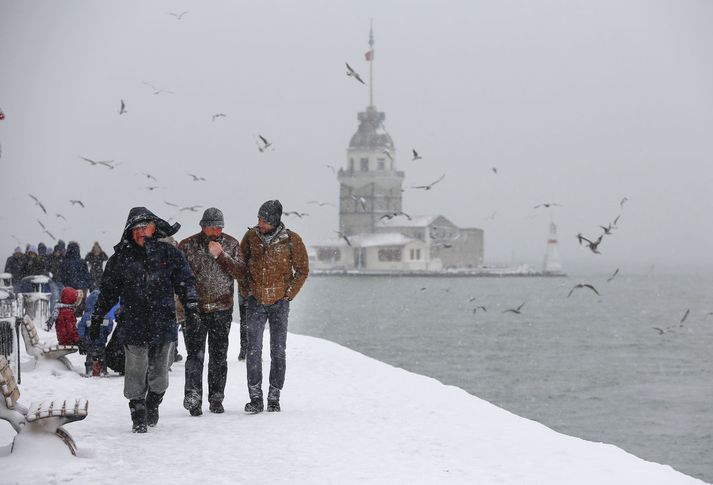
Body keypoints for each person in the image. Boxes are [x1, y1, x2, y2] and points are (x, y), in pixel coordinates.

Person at [89, 207, 199, 433]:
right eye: (136, 229)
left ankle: (154, 402)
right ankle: (137, 410)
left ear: (154, 228)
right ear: (129, 232)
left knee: (160, 375)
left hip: (163, 322)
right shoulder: (120, 259)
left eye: (144, 227)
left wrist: (192, 309)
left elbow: (185, 282)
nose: (140, 232)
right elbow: (108, 292)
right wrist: (97, 315)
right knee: (136, 371)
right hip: (133, 323)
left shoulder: (169, 254)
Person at [239, 200, 309, 413]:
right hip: (255, 302)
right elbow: (241, 265)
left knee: (278, 351)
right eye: (258, 218)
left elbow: (303, 270)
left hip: (280, 303)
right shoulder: (251, 238)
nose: (259, 223)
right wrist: (246, 290)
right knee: (253, 350)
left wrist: (289, 295)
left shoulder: (291, 240)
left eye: (263, 220)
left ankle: (274, 396)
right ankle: (255, 397)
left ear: (274, 220)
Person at [178, 207, 245, 416]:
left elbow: (241, 272)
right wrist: (184, 305)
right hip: (194, 309)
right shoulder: (187, 245)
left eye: (219, 226)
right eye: (211, 226)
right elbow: (178, 278)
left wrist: (221, 255)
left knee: (218, 356)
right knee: (194, 356)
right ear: (202, 226)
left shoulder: (232, 244)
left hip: (222, 309)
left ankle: (216, 398)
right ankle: (193, 397)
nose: (215, 230)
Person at [78, 290, 119, 376]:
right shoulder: (106, 316)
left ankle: (89, 369)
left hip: (89, 342)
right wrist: (104, 335)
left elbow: (81, 327)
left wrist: (82, 338)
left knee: (89, 356)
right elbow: (109, 327)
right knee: (102, 356)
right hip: (101, 342)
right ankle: (103, 370)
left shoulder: (86, 316)